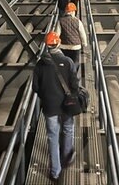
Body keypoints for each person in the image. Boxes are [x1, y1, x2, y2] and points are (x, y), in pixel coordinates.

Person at [33, 32, 78, 181]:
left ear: (46, 45)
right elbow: (75, 85)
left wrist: (46, 96)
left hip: (49, 106)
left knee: (52, 137)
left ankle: (55, 172)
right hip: (67, 105)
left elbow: (35, 88)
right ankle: (67, 158)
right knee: (68, 129)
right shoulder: (68, 61)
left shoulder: (39, 65)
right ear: (58, 43)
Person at [56, 3, 87, 69]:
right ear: (73, 11)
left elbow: (57, 34)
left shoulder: (60, 21)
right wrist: (84, 43)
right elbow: (82, 34)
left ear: (66, 11)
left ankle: (66, 75)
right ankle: (73, 75)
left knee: (64, 62)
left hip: (64, 46)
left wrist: (57, 45)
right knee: (75, 62)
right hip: (76, 46)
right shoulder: (78, 21)